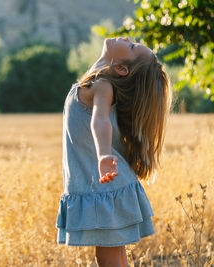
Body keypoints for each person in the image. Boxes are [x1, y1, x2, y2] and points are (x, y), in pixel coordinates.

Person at [55, 37, 172, 266]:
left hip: (106, 186)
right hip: (105, 187)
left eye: (131, 47)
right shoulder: (95, 81)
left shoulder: (102, 86)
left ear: (121, 68)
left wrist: (103, 155)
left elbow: (100, 121)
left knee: (108, 258)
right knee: (116, 257)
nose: (127, 39)